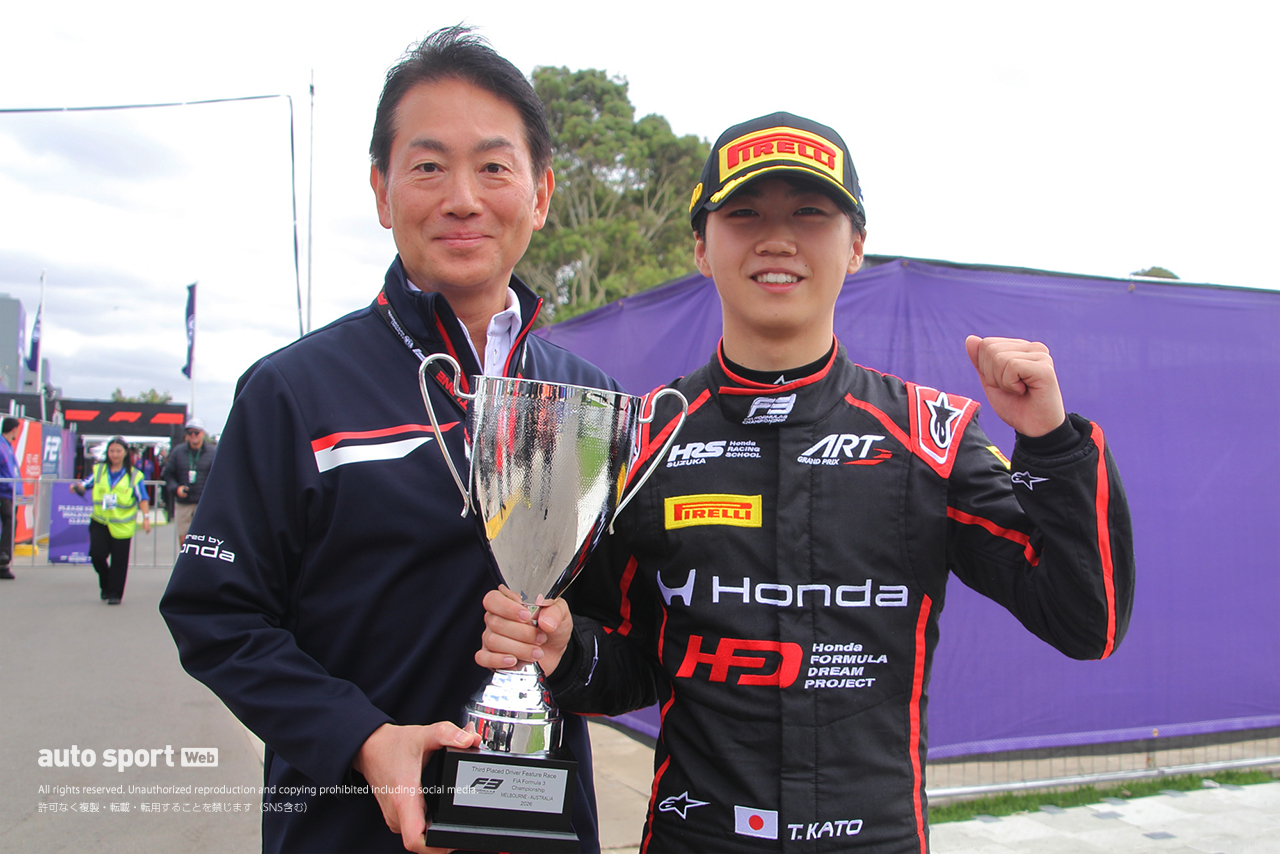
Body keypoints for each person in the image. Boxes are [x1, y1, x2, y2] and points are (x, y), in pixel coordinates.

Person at [477, 112, 1136, 852]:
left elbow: (1086, 621)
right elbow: (633, 668)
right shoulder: (647, 438)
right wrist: (565, 651)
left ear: (855, 246)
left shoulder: (928, 436)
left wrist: (1051, 442)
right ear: (701, 247)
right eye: (745, 214)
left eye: (810, 214)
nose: (777, 239)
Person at [159, 26, 612, 854]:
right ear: (381, 191)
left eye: (494, 167)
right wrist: (361, 738)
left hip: (546, 827)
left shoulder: (588, 401)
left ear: (541, 194)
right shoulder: (293, 391)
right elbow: (214, 613)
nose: (463, 198)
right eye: (429, 166)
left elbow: (621, 629)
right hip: (346, 827)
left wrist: (569, 647)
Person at [73, 436, 151, 604]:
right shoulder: (99, 470)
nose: (115, 454)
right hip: (100, 520)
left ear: (125, 453)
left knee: (119, 561)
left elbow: (142, 498)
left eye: (118, 451)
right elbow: (85, 484)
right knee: (97, 555)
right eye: (112, 451)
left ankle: (115, 593)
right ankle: (106, 583)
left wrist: (146, 518)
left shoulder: (134, 475)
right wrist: (77, 487)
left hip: (122, 524)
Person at [163, 416, 215, 542]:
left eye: (196, 432)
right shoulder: (178, 452)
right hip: (184, 502)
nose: (193, 436)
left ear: (202, 433)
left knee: (203, 538)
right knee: (184, 538)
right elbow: (167, 474)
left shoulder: (212, 453)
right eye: (189, 433)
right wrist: (176, 488)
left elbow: (218, 478)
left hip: (203, 504)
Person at [0, 417, 19, 579]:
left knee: (10, 523)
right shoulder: (2, 446)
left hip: (10, 492)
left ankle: (4, 563)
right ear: (13, 430)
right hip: (4, 492)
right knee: (9, 521)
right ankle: (3, 556)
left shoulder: (7, 446)